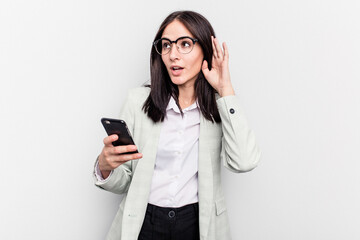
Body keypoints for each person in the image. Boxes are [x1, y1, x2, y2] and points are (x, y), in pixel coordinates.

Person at [93, 10, 261, 240]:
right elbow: (124, 182)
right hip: (144, 221)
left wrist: (225, 89)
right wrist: (105, 167)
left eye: (184, 44)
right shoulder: (137, 102)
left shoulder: (219, 107)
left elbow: (243, 162)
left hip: (197, 223)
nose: (173, 55)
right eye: (166, 45)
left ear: (205, 50)